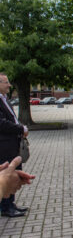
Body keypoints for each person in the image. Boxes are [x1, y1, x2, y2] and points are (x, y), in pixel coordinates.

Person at [0, 72, 30, 217]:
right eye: (6, 82)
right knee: (7, 172)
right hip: (4, 146)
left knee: (13, 173)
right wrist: (20, 128)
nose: (9, 85)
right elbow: (2, 124)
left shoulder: (5, 99)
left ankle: (11, 203)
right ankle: (5, 207)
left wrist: (21, 127)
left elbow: (12, 119)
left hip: (13, 143)